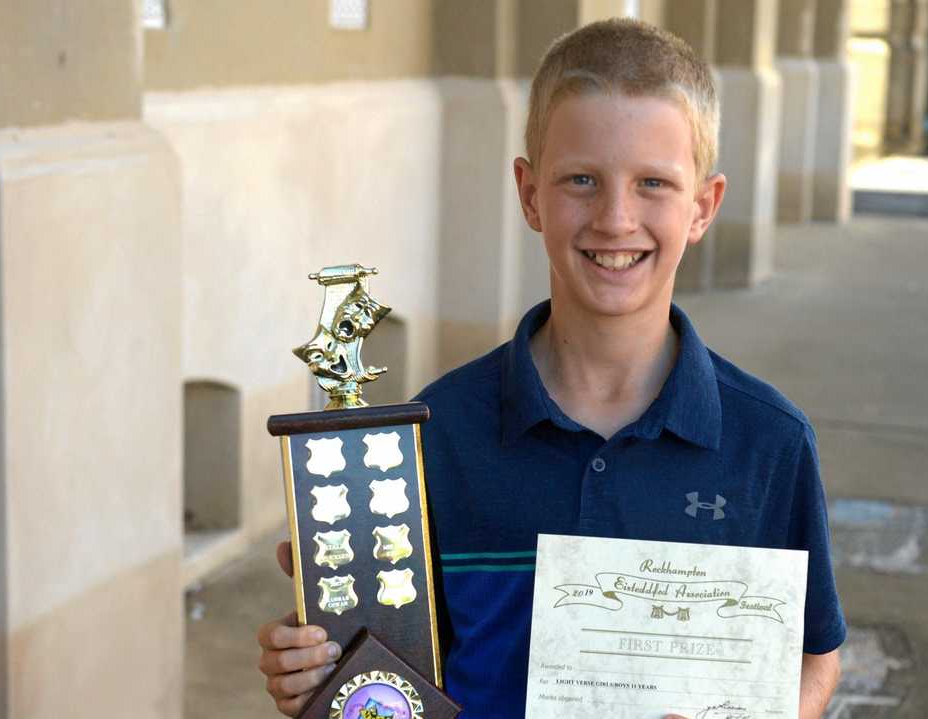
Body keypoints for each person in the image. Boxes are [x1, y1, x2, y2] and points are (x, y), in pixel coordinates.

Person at [257, 18, 845, 718]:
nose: (616, 218)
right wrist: (325, 674)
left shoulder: (768, 442)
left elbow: (815, 658)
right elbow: (398, 673)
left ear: (703, 206)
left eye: (654, 182)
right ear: (531, 194)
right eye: (582, 180)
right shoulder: (428, 439)